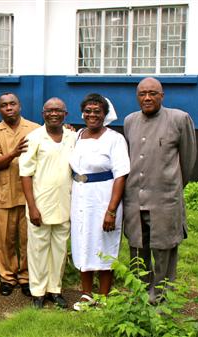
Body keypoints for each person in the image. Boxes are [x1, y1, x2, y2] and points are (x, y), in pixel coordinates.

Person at [123, 77, 197, 304]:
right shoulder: (129, 121)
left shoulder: (179, 119)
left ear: (162, 96)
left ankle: (162, 298)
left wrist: (170, 188)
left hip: (164, 200)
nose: (147, 98)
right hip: (135, 199)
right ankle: (141, 294)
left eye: (153, 93)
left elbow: (188, 161)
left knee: (164, 250)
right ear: (137, 97)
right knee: (138, 248)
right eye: (142, 93)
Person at [69, 94, 130, 311]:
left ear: (105, 114)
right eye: (88, 110)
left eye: (97, 111)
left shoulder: (115, 139)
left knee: (104, 244)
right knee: (82, 242)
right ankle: (86, 294)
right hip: (80, 197)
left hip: (103, 198)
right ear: (82, 113)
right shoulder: (76, 135)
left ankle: (103, 296)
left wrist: (111, 210)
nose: (92, 114)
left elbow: (121, 175)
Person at [19, 97, 76, 309]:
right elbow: (25, 174)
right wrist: (32, 207)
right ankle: (37, 292)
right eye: (50, 110)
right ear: (43, 114)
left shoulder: (73, 137)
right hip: (39, 206)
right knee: (38, 250)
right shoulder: (33, 138)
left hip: (65, 204)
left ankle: (55, 290)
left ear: (65, 114)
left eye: (58, 110)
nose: (54, 113)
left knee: (59, 250)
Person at [0, 93, 39, 297]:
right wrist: (14, 153)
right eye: (4, 105)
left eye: (12, 104)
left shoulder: (34, 129)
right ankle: (7, 277)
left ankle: (26, 277)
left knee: (27, 239)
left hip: (29, 195)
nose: (9, 108)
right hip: (5, 192)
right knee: (5, 240)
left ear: (20, 105)